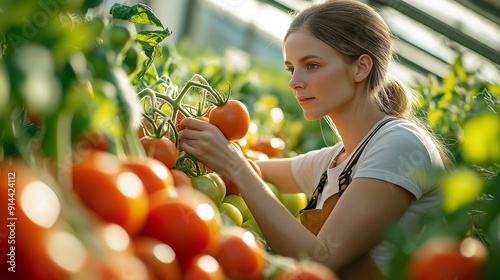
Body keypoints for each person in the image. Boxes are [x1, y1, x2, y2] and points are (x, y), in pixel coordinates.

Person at [178, 0, 449, 278]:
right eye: (291, 68)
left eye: (312, 65)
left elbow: (321, 259)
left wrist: (236, 166)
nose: (294, 81)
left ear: (361, 68)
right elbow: (260, 169)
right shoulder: (337, 159)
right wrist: (188, 142)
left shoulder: (400, 143)